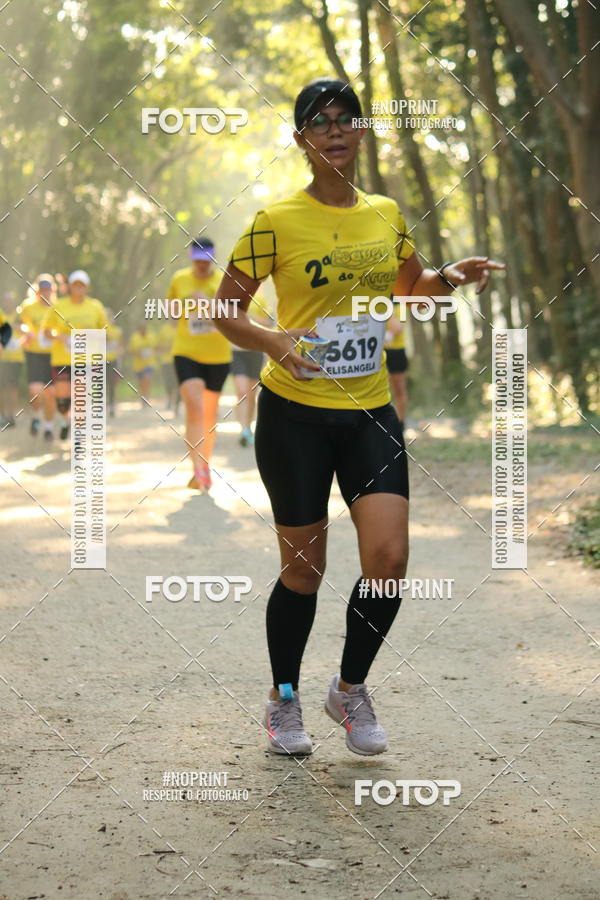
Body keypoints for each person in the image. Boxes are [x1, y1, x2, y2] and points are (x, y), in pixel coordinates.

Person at [215, 77, 505, 756]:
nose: (336, 130)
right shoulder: (275, 222)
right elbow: (224, 311)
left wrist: (451, 278)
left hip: (370, 411)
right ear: (301, 140)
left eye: (347, 119)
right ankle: (283, 699)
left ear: (362, 130)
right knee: (303, 571)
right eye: (320, 122)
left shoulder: (386, 212)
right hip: (294, 415)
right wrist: (274, 339)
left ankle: (348, 689)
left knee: (388, 559)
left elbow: (412, 289)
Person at [168, 236, 232, 490]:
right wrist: (186, 305)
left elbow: (234, 316)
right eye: (198, 261)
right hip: (187, 352)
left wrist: (209, 305)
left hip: (218, 356)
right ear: (191, 258)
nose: (202, 267)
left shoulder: (224, 282)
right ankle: (199, 468)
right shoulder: (179, 280)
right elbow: (171, 314)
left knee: (209, 415)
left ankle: (204, 464)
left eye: (207, 262)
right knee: (194, 409)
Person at [42, 270, 109, 440]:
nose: (78, 288)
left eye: (82, 285)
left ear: (87, 287)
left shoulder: (95, 306)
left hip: (85, 359)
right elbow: (46, 332)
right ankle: (66, 420)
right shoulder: (58, 306)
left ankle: (78, 437)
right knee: (63, 401)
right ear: (70, 287)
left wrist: (91, 337)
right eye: (75, 284)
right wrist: (62, 337)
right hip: (62, 358)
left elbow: (106, 331)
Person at [17, 274, 56, 440]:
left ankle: (48, 427)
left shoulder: (57, 308)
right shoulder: (28, 306)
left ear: (52, 291)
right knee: (35, 390)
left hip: (53, 355)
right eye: (42, 290)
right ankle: (36, 415)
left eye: (48, 290)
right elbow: (17, 323)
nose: (45, 293)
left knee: (50, 392)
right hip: (33, 353)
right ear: (37, 291)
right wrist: (25, 330)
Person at [231, 294, 271, 446]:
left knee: (251, 394)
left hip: (255, 351)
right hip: (236, 352)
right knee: (241, 391)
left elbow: (268, 322)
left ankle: (248, 427)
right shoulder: (232, 298)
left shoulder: (259, 300)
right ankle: (242, 429)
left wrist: (249, 318)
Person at [0, 294, 24, 429]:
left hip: (16, 358)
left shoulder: (19, 315)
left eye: (11, 301)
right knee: (2, 387)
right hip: (2, 358)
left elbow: (27, 331)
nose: (9, 303)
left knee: (13, 387)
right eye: (6, 300)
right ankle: (2, 415)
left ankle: (11, 416)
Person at [384, 303, 409, 428]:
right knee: (382, 389)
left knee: (399, 389)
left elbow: (397, 328)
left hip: (396, 351)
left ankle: (400, 423)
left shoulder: (401, 305)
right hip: (379, 351)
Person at [128, 322, 156, 408]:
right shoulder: (134, 338)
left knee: (147, 379)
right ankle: (143, 398)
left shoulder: (152, 336)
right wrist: (137, 354)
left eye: (145, 328)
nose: (144, 330)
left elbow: (156, 347)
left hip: (149, 363)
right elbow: (130, 351)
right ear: (139, 329)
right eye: (142, 328)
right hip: (138, 364)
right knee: (141, 383)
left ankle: (147, 396)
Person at [156, 318, 178, 413]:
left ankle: (177, 403)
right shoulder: (164, 329)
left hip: (179, 360)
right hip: (166, 360)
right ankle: (169, 398)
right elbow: (157, 346)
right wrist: (167, 347)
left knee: (178, 382)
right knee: (168, 382)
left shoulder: (182, 328)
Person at [106, 314, 124, 417]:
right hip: (100, 360)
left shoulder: (118, 331)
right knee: (100, 384)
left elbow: (121, 346)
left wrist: (119, 355)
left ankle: (112, 405)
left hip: (113, 360)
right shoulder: (100, 329)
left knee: (112, 384)